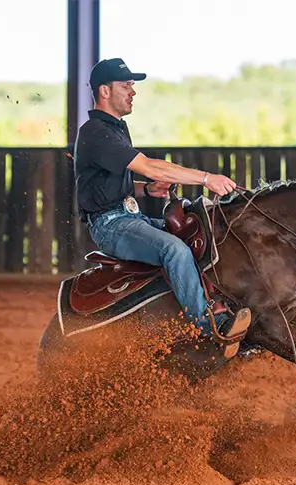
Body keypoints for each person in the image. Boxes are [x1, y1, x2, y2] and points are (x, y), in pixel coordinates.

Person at [73, 57, 251, 344]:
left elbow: (109, 182)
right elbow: (150, 165)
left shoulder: (115, 129)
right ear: (104, 91)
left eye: (132, 85)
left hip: (127, 217)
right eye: (126, 85)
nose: (133, 92)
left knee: (198, 234)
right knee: (174, 250)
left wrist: (146, 189)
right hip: (110, 225)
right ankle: (210, 327)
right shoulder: (96, 132)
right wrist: (206, 178)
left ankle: (218, 304)